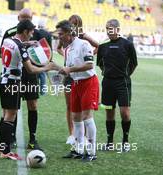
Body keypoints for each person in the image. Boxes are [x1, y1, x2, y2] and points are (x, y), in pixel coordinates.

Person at [0, 20, 57, 160]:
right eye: (30, 32)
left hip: (3, 80)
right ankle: (5, 151)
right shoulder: (20, 48)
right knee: (10, 115)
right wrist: (46, 68)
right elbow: (30, 69)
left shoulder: (8, 40)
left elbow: (17, 45)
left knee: (5, 114)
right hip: (12, 82)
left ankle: (1, 147)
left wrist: (27, 44)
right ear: (25, 31)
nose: (31, 35)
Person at [0, 8, 45, 150]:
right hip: (15, 77)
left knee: (31, 106)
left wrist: (26, 46)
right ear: (19, 18)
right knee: (11, 111)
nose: (26, 20)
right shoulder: (11, 34)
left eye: (29, 17)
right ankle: (8, 142)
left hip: (20, 77)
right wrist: (48, 68)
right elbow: (3, 54)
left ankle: (31, 138)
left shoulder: (30, 34)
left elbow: (42, 55)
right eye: (23, 17)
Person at [57, 20, 99, 162]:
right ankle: (79, 150)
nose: (59, 37)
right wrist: (60, 72)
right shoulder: (68, 48)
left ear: (69, 33)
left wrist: (70, 69)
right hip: (75, 83)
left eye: (61, 34)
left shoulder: (84, 44)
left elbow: (89, 64)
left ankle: (92, 152)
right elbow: (69, 69)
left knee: (87, 116)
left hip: (89, 82)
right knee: (75, 117)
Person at [97, 19, 138, 152]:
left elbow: (134, 63)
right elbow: (100, 63)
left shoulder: (127, 44)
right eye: (107, 28)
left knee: (125, 113)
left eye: (111, 28)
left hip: (123, 83)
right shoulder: (103, 46)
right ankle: (110, 142)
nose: (109, 31)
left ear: (118, 29)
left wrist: (125, 75)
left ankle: (125, 142)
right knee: (109, 113)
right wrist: (108, 73)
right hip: (107, 83)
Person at [37, 20, 52, 95]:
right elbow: (50, 47)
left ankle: (34, 89)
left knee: (35, 73)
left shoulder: (34, 32)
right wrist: (50, 59)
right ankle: (43, 91)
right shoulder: (48, 34)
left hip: (35, 56)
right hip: (45, 56)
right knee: (43, 74)